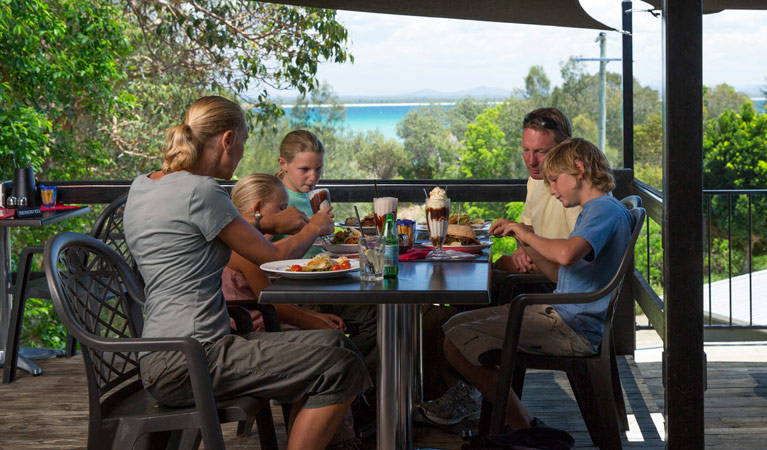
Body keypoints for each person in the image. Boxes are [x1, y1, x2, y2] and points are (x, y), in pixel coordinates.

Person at [124, 96, 372, 450]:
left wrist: (264, 220)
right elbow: (272, 256)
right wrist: (314, 228)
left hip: (162, 352)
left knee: (334, 344)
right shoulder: (202, 190)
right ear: (227, 140)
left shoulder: (143, 186)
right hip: (194, 358)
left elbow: (204, 227)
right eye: (242, 142)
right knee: (340, 365)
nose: (241, 154)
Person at [440, 138, 634, 432]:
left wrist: (526, 233)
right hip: (563, 316)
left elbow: (567, 254)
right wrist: (523, 239)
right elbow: (559, 275)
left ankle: (525, 428)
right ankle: (517, 424)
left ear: (579, 169)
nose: (552, 190)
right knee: (454, 326)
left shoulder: (603, 210)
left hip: (571, 327)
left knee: (455, 341)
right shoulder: (595, 210)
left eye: (555, 180)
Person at [419, 107, 580, 425]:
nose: (532, 162)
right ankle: (463, 387)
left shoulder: (576, 191)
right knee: (468, 278)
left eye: (541, 153)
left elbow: (571, 261)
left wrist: (529, 252)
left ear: (565, 148)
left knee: (459, 307)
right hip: (537, 274)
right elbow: (528, 231)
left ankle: (471, 391)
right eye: (526, 150)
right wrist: (523, 249)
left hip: (556, 292)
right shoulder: (537, 181)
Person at [225, 173, 346, 332]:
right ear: (257, 208)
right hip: (255, 330)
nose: (286, 214)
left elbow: (276, 250)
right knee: (336, 341)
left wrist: (317, 316)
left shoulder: (243, 239)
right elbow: (276, 306)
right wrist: (321, 326)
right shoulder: (243, 248)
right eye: (282, 208)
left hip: (267, 321)